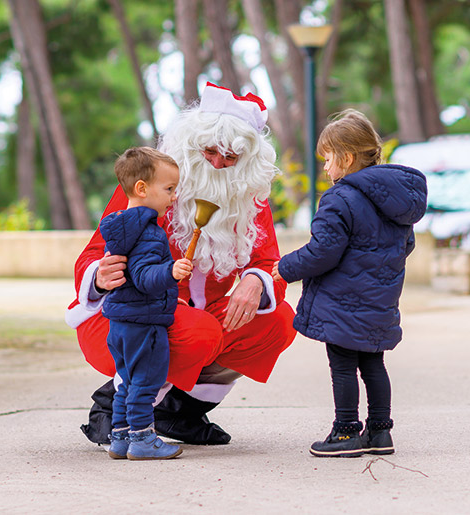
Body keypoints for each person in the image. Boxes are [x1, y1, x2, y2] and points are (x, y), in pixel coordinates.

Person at [66, 83, 296, 447]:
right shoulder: (152, 184)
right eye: (210, 151)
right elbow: (94, 252)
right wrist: (100, 275)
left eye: (231, 157)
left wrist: (255, 280)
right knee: (198, 332)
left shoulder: (249, 197)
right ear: (191, 144)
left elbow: (269, 262)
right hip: (130, 314)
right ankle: (116, 407)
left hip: (203, 317)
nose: (218, 163)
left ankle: (179, 411)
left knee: (277, 321)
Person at [271, 110, 427, 457]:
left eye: (328, 159)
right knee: (373, 365)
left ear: (347, 157)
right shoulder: (397, 201)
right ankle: (380, 432)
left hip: (342, 301)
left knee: (342, 366)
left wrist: (284, 267)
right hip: (380, 300)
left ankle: (345, 432)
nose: (326, 167)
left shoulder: (340, 198)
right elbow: (406, 246)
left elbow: (322, 252)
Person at [99, 147, 190, 460]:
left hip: (121, 322)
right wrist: (171, 271)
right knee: (146, 382)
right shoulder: (150, 233)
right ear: (142, 188)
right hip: (144, 323)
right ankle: (142, 439)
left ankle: (120, 437)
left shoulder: (122, 227)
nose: (173, 197)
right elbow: (144, 276)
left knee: (127, 381)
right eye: (169, 189)